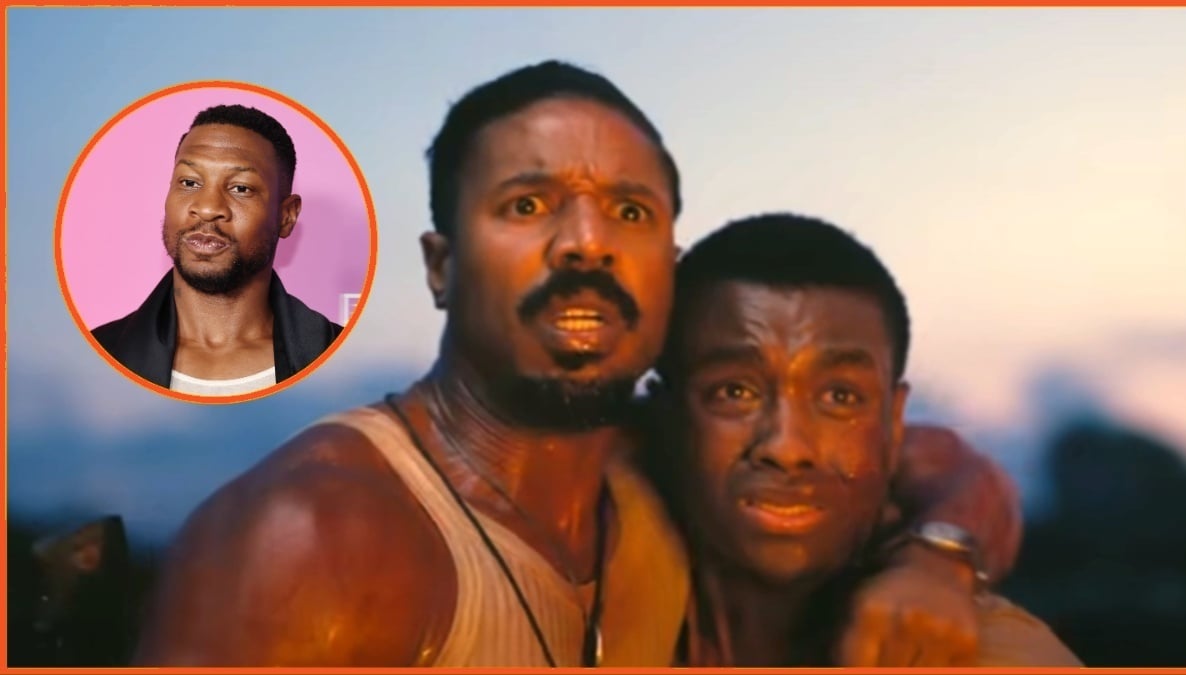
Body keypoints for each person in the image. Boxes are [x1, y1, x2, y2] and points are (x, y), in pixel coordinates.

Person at [135, 61, 1022, 666]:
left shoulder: (658, 455)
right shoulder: (316, 539)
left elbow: (940, 461)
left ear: (670, 270)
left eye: (630, 213)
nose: (588, 244)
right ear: (441, 266)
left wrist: (939, 560)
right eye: (529, 202)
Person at [646, 213, 1081, 666]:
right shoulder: (607, 563)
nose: (787, 448)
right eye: (734, 392)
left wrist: (938, 562)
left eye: (840, 396)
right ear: (663, 413)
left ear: (893, 421)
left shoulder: (999, 656)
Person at [91, 104, 342, 396]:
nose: (208, 208)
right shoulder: (97, 356)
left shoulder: (339, 359)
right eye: (189, 182)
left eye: (240, 188)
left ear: (286, 216)